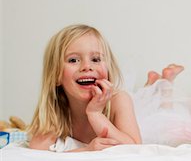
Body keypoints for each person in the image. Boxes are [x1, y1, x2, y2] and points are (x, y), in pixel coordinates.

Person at [28, 24, 142, 152]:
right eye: (73, 60)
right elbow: (37, 149)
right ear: (55, 75)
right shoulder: (56, 109)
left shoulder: (119, 100)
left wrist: (95, 114)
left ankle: (157, 84)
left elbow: (135, 150)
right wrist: (87, 150)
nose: (87, 66)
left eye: (95, 59)